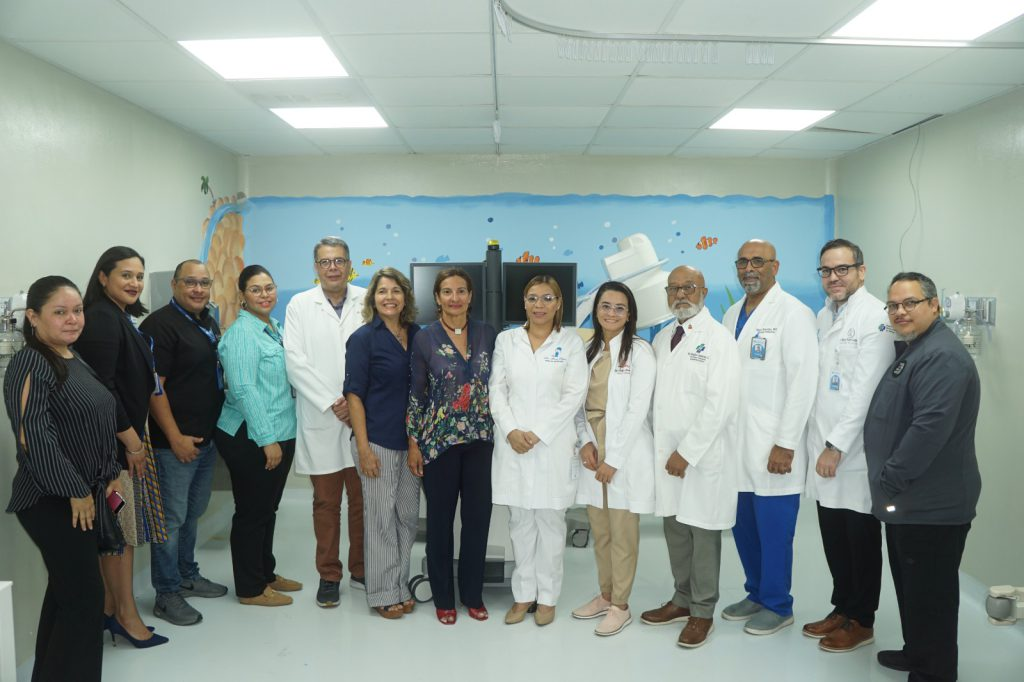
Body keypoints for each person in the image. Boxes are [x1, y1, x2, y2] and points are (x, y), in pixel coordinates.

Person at [4, 276, 125, 681]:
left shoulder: (71, 356)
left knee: (66, 596)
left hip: (83, 496)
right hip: (52, 501)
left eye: (77, 310)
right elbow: (32, 437)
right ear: (33, 317)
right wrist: (75, 490)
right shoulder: (30, 362)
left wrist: (110, 474)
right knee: (85, 601)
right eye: (60, 312)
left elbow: (95, 420)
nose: (72, 319)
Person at [865, 272, 981, 682]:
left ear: (934, 305)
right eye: (893, 305)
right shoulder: (918, 348)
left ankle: (934, 672)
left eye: (910, 303)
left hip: (931, 503)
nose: (900, 311)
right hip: (909, 500)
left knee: (931, 595)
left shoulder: (941, 356)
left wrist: (890, 479)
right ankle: (917, 652)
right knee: (913, 588)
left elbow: (929, 429)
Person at [720, 239, 817, 636]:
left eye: (757, 261)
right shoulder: (731, 314)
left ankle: (778, 604)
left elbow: (803, 382)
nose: (749, 268)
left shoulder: (794, 313)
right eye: (742, 262)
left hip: (773, 444)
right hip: (736, 443)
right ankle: (756, 592)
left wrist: (786, 442)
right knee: (743, 526)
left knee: (775, 530)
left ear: (775, 266)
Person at [641, 266, 740, 649]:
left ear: (704, 291)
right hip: (667, 457)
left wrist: (686, 452)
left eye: (689, 287)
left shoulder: (719, 339)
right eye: (674, 288)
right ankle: (681, 599)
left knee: (702, 534)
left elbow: (721, 404)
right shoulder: (663, 337)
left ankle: (702, 611)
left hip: (701, 458)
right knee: (676, 532)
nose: (680, 294)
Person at [802, 239, 894, 652]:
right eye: (826, 270)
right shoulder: (825, 315)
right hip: (823, 447)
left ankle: (862, 620)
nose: (833, 277)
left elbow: (865, 393)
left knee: (860, 538)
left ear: (861, 270)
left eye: (842, 269)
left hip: (854, 453)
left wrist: (836, 445)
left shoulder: (876, 317)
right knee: (834, 535)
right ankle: (842, 607)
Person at [76, 245, 168, 647]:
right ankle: (127, 618)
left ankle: (111, 609)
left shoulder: (119, 316)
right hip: (113, 450)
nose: (135, 283)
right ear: (103, 277)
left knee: (119, 531)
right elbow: (103, 388)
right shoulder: (100, 318)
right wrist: (132, 442)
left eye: (139, 276)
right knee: (120, 533)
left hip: (124, 440)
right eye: (125, 275)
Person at [490, 275, 588, 627]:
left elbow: (574, 395)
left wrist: (539, 433)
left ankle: (547, 598)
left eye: (548, 298)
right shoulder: (507, 340)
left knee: (550, 523)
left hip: (552, 445)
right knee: (520, 522)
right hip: (513, 443)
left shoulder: (570, 343)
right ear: (524, 302)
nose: (539, 305)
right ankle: (523, 596)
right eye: (533, 298)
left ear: (558, 303)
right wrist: (512, 430)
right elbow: (496, 390)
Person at [139, 260, 228, 626]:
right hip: (173, 445)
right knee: (170, 519)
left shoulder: (206, 321)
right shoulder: (159, 325)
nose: (198, 289)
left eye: (204, 283)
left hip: (204, 441)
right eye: (190, 282)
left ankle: (187, 574)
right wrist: (175, 437)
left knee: (192, 512)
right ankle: (167, 592)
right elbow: (154, 389)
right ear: (174, 284)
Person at [407, 268, 497, 625]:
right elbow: (416, 394)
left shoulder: (488, 333)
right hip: (438, 443)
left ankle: (473, 595)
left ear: (471, 296)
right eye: (447, 291)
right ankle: (444, 598)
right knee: (440, 524)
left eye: (461, 291)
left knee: (477, 521)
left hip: (480, 441)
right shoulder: (424, 338)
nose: (455, 298)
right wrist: (414, 443)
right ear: (437, 297)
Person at [284, 237, 367, 608]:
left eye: (339, 260)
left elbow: (377, 353)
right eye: (325, 262)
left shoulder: (367, 299)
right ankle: (329, 575)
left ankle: (361, 569)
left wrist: (356, 402)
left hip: (362, 416)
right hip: (322, 416)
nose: (332, 267)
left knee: (363, 502)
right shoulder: (300, 305)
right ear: (315, 267)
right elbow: (294, 361)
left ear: (349, 265)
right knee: (326, 504)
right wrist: (334, 402)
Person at [570, 282, 655, 637]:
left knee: (622, 532)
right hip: (593, 445)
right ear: (596, 310)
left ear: (630, 313)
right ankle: (605, 595)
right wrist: (584, 443)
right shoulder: (587, 350)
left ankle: (621, 605)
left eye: (620, 308)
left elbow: (637, 410)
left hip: (624, 450)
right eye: (606, 306)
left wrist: (614, 459)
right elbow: (577, 404)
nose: (612, 313)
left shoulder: (640, 352)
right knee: (601, 531)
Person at [214, 265, 301, 607]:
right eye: (255, 289)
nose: (264, 295)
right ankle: (250, 588)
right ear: (243, 295)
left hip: (279, 430)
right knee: (252, 513)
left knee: (267, 508)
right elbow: (244, 389)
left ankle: (266, 573)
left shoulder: (273, 328)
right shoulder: (241, 334)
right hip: (251, 436)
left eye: (269, 287)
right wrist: (267, 440)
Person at [344, 267, 421, 619]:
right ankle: (381, 592)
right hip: (376, 441)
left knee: (406, 516)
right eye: (382, 291)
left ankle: (400, 585)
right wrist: (363, 449)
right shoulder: (363, 339)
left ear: (405, 297)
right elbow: (354, 396)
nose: (389, 297)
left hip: (411, 443)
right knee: (380, 520)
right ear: (372, 299)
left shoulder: (418, 335)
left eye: (396, 291)